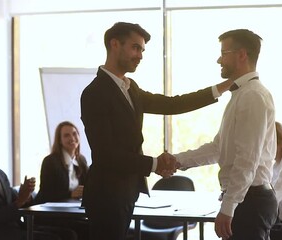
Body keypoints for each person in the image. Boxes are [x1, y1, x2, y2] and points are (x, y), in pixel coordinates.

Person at [80, 21, 234, 240]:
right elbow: (106, 154)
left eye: (142, 50)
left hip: (126, 192)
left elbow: (170, 104)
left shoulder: (130, 87)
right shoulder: (94, 93)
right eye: (135, 47)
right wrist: (154, 164)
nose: (140, 55)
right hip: (106, 195)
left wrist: (221, 88)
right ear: (114, 44)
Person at [174, 29, 278, 240]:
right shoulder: (243, 94)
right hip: (246, 199)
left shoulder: (252, 96)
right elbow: (218, 148)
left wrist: (229, 206)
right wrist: (176, 161)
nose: (219, 59)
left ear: (241, 55)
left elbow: (247, 159)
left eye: (224, 52)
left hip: (250, 200)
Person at [34, 121, 89, 240]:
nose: (72, 138)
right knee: (77, 232)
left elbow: (89, 186)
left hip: (70, 213)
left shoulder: (81, 161)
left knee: (94, 228)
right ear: (59, 140)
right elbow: (46, 193)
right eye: (66, 135)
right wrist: (70, 194)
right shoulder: (50, 162)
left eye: (74, 134)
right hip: (49, 215)